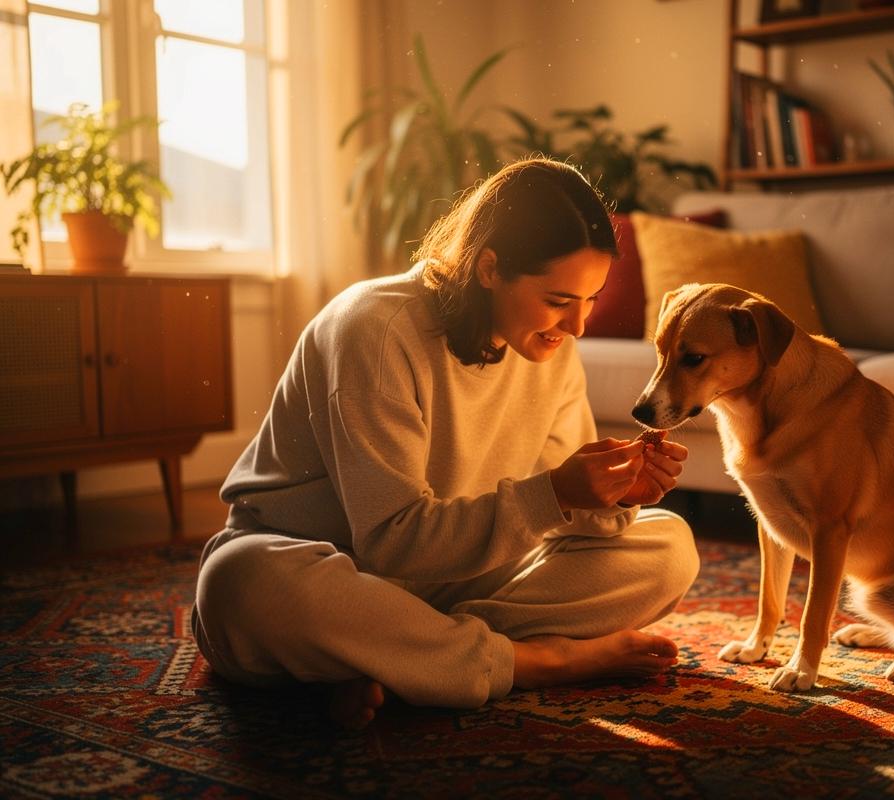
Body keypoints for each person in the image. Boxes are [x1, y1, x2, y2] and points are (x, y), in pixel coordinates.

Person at [192, 157, 700, 729]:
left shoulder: (552, 352)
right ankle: (527, 661)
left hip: (455, 578)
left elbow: (557, 517)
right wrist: (556, 492)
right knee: (241, 585)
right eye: (560, 301)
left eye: (591, 300)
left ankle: (400, 659)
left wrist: (613, 496)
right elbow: (390, 541)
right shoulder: (375, 330)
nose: (578, 326)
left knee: (670, 547)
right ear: (489, 268)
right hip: (330, 570)